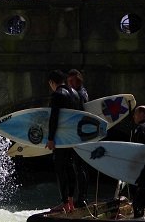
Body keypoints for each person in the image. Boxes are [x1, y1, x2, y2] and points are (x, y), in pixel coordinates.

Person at [46, 70, 82, 212]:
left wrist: (50, 139)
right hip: (73, 137)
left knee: (61, 169)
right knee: (70, 167)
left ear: (52, 82)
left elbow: (54, 117)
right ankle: (71, 201)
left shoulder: (57, 94)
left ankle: (64, 203)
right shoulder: (75, 93)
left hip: (61, 138)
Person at [66, 69, 88, 207]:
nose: (71, 83)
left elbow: (77, 112)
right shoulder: (79, 92)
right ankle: (79, 198)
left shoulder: (80, 93)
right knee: (78, 167)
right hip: (78, 134)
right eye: (69, 81)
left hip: (79, 134)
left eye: (72, 81)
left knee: (79, 167)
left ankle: (81, 198)